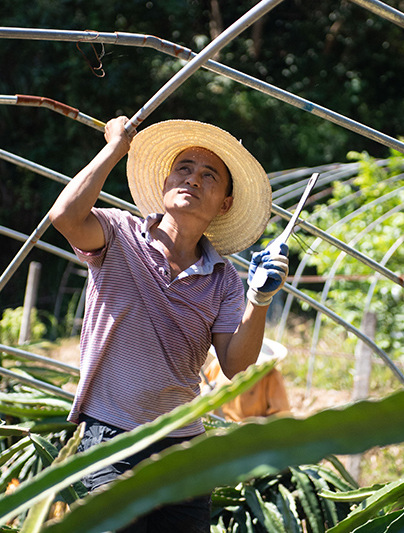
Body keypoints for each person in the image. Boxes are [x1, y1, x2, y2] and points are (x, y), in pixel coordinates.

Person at [49, 115, 289, 532]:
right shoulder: (118, 235)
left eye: (209, 175)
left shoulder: (225, 280)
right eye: (184, 169)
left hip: (183, 450)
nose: (193, 180)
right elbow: (66, 217)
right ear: (164, 183)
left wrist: (259, 299)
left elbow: (237, 367)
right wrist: (115, 148)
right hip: (112, 439)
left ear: (225, 203)